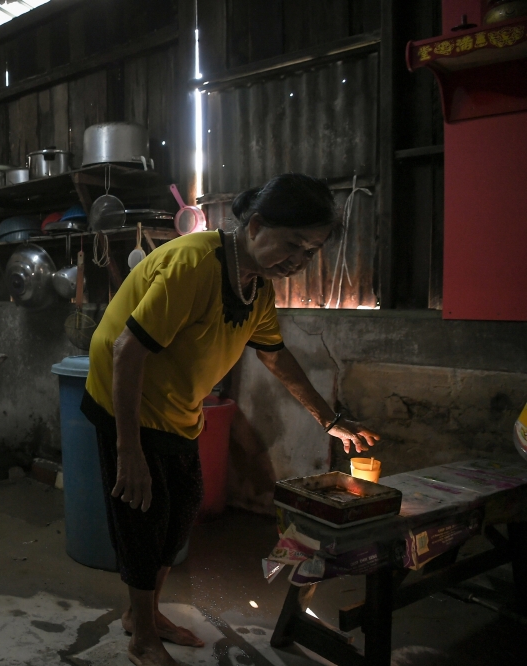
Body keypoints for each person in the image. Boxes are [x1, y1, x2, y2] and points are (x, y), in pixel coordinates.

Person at [82, 173, 380, 666]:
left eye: (310, 252)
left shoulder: (257, 287)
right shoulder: (194, 264)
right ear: (257, 226)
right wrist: (127, 449)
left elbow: (275, 356)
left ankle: (145, 615)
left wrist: (331, 422)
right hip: (124, 397)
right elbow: (126, 349)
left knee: (182, 509)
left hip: (177, 405)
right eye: (293, 244)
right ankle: (141, 638)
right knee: (143, 514)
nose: (298, 260)